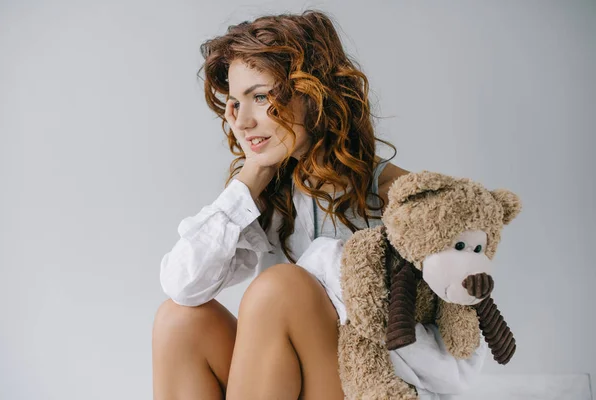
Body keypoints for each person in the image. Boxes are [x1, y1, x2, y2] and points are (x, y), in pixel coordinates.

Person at [152, 9, 487, 400]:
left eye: (260, 97)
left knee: (283, 287)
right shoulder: (269, 192)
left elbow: (458, 362)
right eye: (235, 103)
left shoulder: (404, 196)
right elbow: (182, 286)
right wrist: (252, 175)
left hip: (375, 387)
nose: (242, 122)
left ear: (313, 94)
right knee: (180, 321)